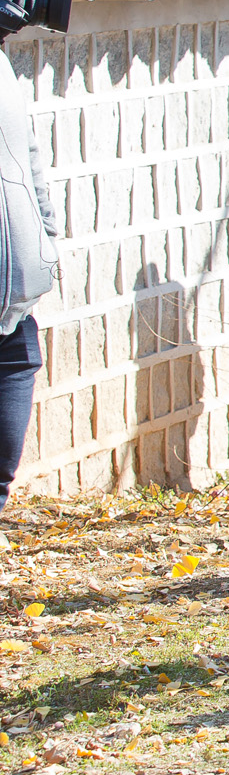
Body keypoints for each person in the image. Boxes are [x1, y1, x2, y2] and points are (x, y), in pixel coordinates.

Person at [0, 53, 58, 514]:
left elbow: (27, 154)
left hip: (13, 305)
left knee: (1, 467)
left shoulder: (0, 63)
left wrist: (44, 238)